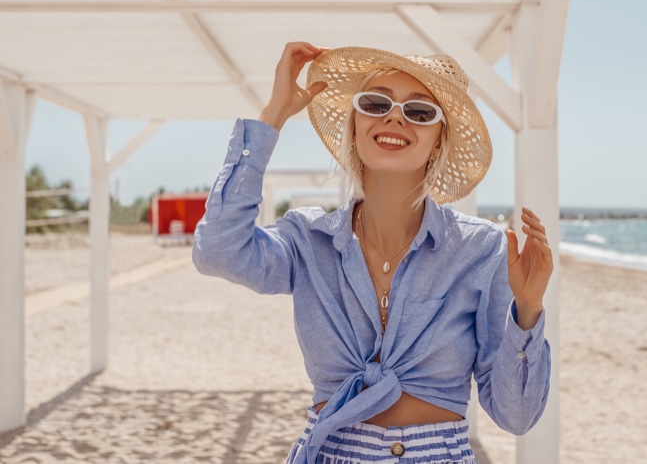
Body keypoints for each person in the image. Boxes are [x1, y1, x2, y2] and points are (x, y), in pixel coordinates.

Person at [193, 41, 553, 464]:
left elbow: (517, 416)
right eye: (375, 103)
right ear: (354, 125)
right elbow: (217, 249)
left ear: (438, 140)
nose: (395, 117)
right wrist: (273, 115)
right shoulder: (308, 240)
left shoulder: (480, 250)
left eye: (420, 112)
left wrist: (528, 310)